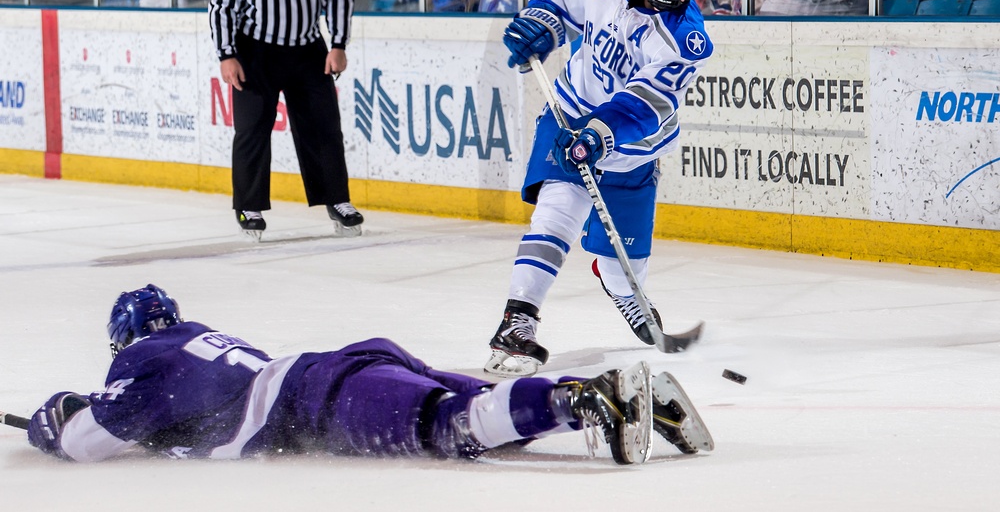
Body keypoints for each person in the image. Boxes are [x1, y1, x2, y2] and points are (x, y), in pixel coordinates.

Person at [25, 284, 714, 463]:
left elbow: (88, 440)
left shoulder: (142, 364)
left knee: (455, 431)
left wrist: (53, 423)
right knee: (483, 412)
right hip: (344, 368)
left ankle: (581, 401)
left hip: (319, 399)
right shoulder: (196, 342)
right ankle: (633, 399)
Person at [485, 0, 714, 377]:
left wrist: (600, 133)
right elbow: (556, 0)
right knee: (556, 213)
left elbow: (648, 103)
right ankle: (517, 322)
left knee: (623, 266)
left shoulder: (686, 41)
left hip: (631, 150)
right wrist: (541, 25)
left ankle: (624, 291)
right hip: (569, 116)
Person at [208, 0, 364, 238]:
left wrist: (338, 43)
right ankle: (248, 206)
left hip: (308, 49)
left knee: (324, 127)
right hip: (255, 52)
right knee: (252, 130)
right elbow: (222, 5)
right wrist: (227, 54)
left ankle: (336, 199)